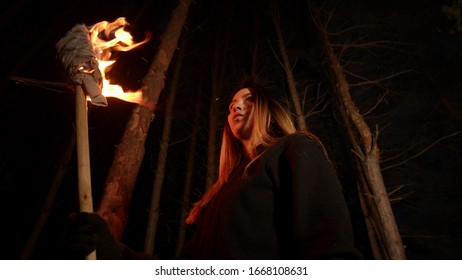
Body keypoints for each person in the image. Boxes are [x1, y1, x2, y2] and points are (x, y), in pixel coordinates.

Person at [65, 77, 361, 259]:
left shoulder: (295, 149)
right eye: (232, 103)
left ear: (269, 109)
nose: (236, 106)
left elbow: (328, 248)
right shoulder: (217, 197)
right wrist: (116, 254)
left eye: (249, 100)